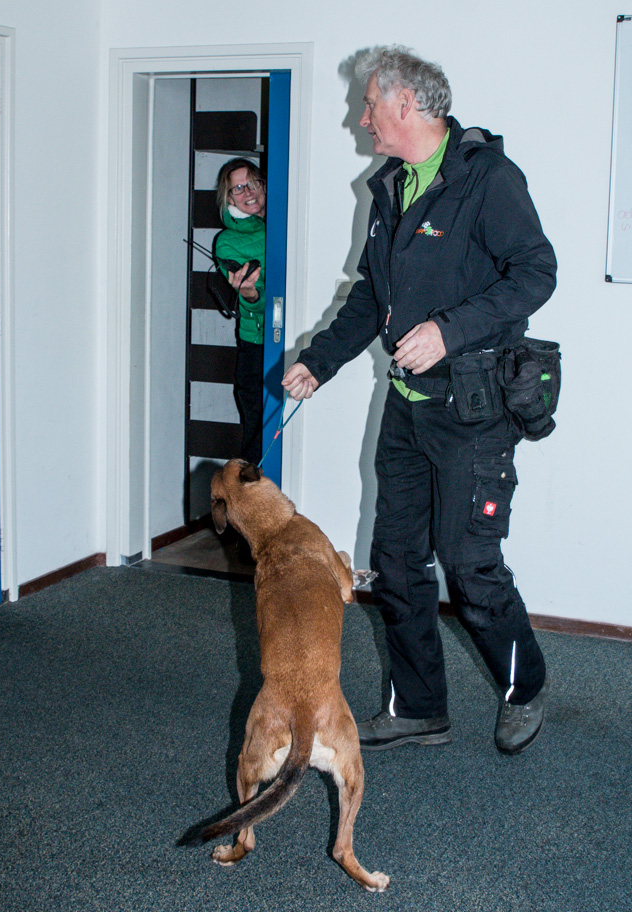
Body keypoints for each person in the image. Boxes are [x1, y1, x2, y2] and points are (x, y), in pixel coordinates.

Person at [282, 46, 558, 756]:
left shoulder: (487, 179)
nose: (362, 118)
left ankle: (524, 686)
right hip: (406, 407)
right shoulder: (389, 187)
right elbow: (371, 296)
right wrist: (318, 361)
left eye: (369, 104)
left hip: (474, 410)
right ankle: (418, 708)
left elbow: (536, 272)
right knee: (397, 561)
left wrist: (449, 330)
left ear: (406, 104)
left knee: (469, 566)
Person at [214, 158, 266, 467]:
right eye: (238, 188)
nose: (248, 192)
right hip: (257, 345)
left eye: (253, 183)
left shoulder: (285, 217)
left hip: (298, 335)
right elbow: (263, 299)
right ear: (229, 199)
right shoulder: (227, 242)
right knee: (257, 438)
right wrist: (249, 294)